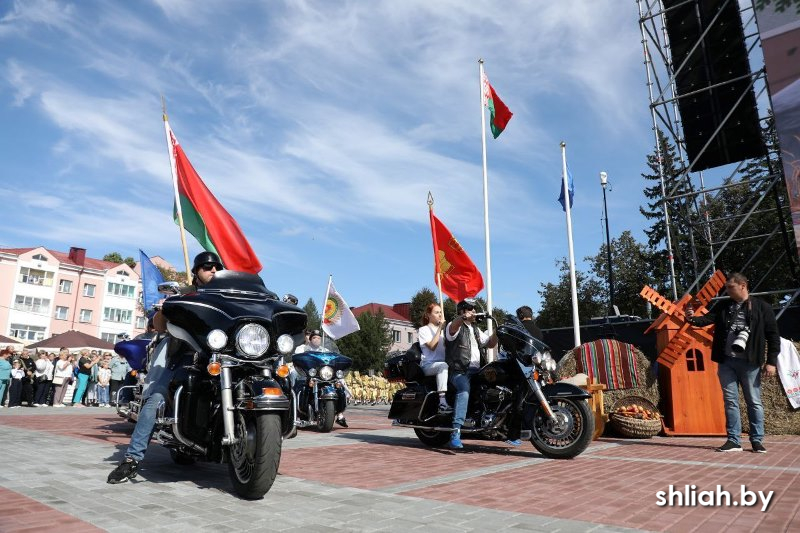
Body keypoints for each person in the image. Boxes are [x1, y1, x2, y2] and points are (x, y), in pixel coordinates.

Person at [107, 251, 223, 484]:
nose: (213, 270)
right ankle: (132, 459)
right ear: (196, 272)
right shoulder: (184, 294)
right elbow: (158, 326)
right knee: (156, 398)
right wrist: (165, 308)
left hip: (219, 358)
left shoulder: (227, 295)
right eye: (207, 267)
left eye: (217, 267)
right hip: (181, 355)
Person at [686, 272, 780, 453]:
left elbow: (773, 336)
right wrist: (690, 318)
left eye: (730, 287)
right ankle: (734, 440)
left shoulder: (762, 307)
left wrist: (771, 362)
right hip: (726, 361)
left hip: (750, 362)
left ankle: (757, 440)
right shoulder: (723, 305)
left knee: (754, 401)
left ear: (743, 286)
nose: (727, 291)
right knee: (730, 401)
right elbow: (706, 320)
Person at [444, 299, 498, 449]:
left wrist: (498, 331)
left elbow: (491, 343)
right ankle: (456, 431)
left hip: (478, 371)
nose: (474, 311)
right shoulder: (454, 326)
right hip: (459, 371)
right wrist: (462, 318)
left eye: (474, 309)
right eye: (470, 308)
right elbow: (453, 327)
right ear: (462, 311)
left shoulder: (475, 330)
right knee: (464, 390)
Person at [418, 303, 452, 413]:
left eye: (441, 312)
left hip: (443, 364)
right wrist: (439, 329)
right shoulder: (423, 330)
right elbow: (432, 346)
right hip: (429, 364)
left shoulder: (443, 332)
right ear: (428, 315)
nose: (440, 315)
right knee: (443, 366)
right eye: (436, 312)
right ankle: (442, 402)